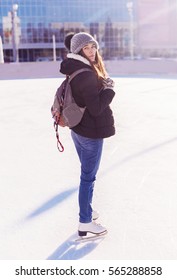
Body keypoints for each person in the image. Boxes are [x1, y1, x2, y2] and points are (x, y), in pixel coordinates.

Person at [60, 32, 115, 237]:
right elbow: (96, 108)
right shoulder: (86, 74)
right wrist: (109, 89)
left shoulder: (75, 68)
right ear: (78, 50)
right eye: (86, 48)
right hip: (90, 132)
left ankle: (87, 212)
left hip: (79, 129)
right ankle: (85, 221)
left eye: (93, 47)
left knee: (87, 176)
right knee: (88, 178)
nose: (91, 51)